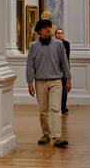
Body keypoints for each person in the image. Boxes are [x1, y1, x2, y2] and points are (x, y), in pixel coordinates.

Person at [26, 19, 70, 147]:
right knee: (43, 111)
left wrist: (68, 79)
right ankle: (46, 134)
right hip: (40, 82)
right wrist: (30, 82)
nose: (48, 30)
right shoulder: (34, 46)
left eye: (49, 27)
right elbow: (30, 66)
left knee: (56, 109)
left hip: (56, 81)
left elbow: (64, 63)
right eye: (45, 28)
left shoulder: (58, 45)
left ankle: (57, 136)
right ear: (39, 31)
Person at [54, 27, 71, 114]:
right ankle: (56, 107)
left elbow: (67, 58)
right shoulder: (52, 44)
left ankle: (63, 107)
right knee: (56, 89)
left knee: (65, 89)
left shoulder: (66, 44)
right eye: (58, 33)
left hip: (64, 69)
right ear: (55, 35)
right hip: (56, 70)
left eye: (61, 33)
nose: (60, 35)